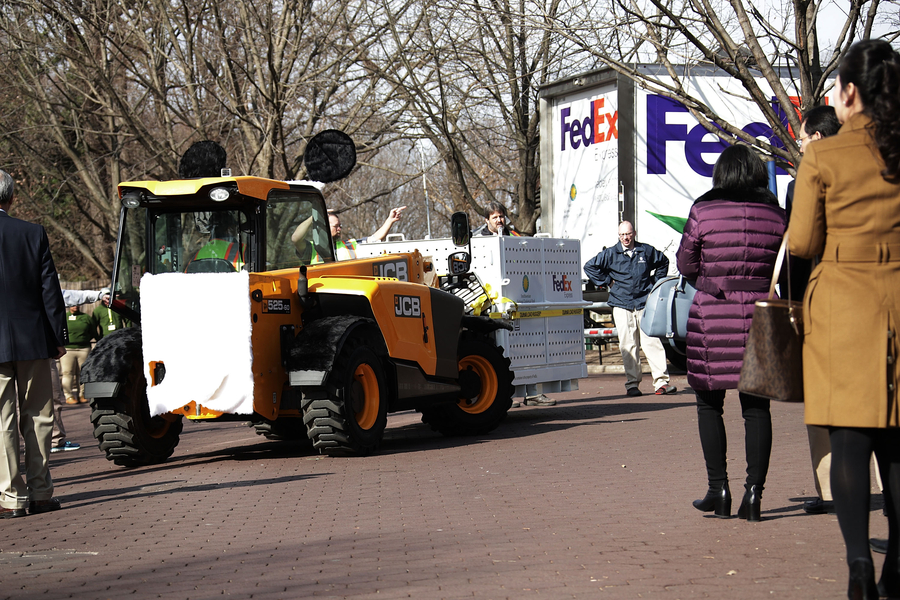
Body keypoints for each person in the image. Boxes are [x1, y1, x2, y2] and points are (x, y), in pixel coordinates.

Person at [788, 39, 900, 599]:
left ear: (850, 92)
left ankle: (859, 567)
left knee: (850, 438)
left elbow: (804, 240)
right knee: (897, 440)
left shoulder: (823, 156)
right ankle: (898, 560)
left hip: (842, 302)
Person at [676, 145, 785, 521]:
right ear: (757, 173)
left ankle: (717, 489)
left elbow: (685, 263)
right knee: (757, 408)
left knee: (709, 404)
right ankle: (753, 496)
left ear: (720, 174)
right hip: (761, 317)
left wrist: (709, 281)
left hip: (712, 314)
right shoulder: (775, 214)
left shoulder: (703, 210)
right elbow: (784, 269)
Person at [0, 168, 67, 517]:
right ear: (11, 198)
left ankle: (11, 496)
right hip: (33, 338)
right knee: (39, 418)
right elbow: (49, 292)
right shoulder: (32, 233)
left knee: (2, 421)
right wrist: (58, 337)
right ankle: (40, 492)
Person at [785, 105, 842, 516]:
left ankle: (829, 490)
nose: (801, 146)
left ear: (818, 139)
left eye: (803, 138)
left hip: (820, 302)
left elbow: (799, 248)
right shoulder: (882, 165)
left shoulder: (806, 179)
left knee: (822, 403)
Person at [584, 221, 677, 397]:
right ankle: (632, 384)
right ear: (618, 236)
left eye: (628, 234)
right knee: (628, 344)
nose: (625, 238)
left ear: (634, 233)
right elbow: (590, 267)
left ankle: (662, 383)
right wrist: (607, 282)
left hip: (644, 303)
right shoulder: (611, 253)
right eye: (622, 235)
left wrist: (654, 284)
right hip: (621, 304)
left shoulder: (646, 251)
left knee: (652, 342)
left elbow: (663, 262)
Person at [329, 206, 406, 260]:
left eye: (340, 226)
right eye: (336, 226)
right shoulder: (317, 250)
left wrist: (390, 220)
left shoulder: (349, 245)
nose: (339, 229)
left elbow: (374, 239)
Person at [59, 303, 99, 404]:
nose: (75, 306)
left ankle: (82, 394)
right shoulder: (64, 317)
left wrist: (84, 339)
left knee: (84, 372)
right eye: (73, 304)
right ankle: (69, 396)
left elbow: (93, 331)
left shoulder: (86, 317)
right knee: (67, 372)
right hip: (68, 349)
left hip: (84, 348)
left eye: (77, 304)